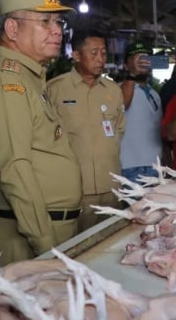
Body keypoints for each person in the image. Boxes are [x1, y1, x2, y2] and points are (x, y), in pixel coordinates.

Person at [0, 0, 83, 266]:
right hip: (31, 239)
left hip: (47, 229)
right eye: (45, 21)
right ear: (12, 30)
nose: (57, 30)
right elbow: (14, 168)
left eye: (58, 21)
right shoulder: (6, 81)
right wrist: (46, 246)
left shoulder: (29, 78)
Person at [47, 29, 125, 232]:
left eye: (104, 53)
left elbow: (119, 130)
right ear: (75, 55)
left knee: (111, 244)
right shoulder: (55, 89)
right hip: (75, 190)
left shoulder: (113, 90)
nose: (100, 59)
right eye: (93, 53)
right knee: (77, 248)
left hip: (111, 187)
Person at [120, 41, 163, 183]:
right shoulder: (118, 89)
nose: (143, 61)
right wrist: (132, 75)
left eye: (146, 58)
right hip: (131, 167)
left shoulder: (154, 94)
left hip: (156, 166)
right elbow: (122, 105)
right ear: (126, 65)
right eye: (137, 58)